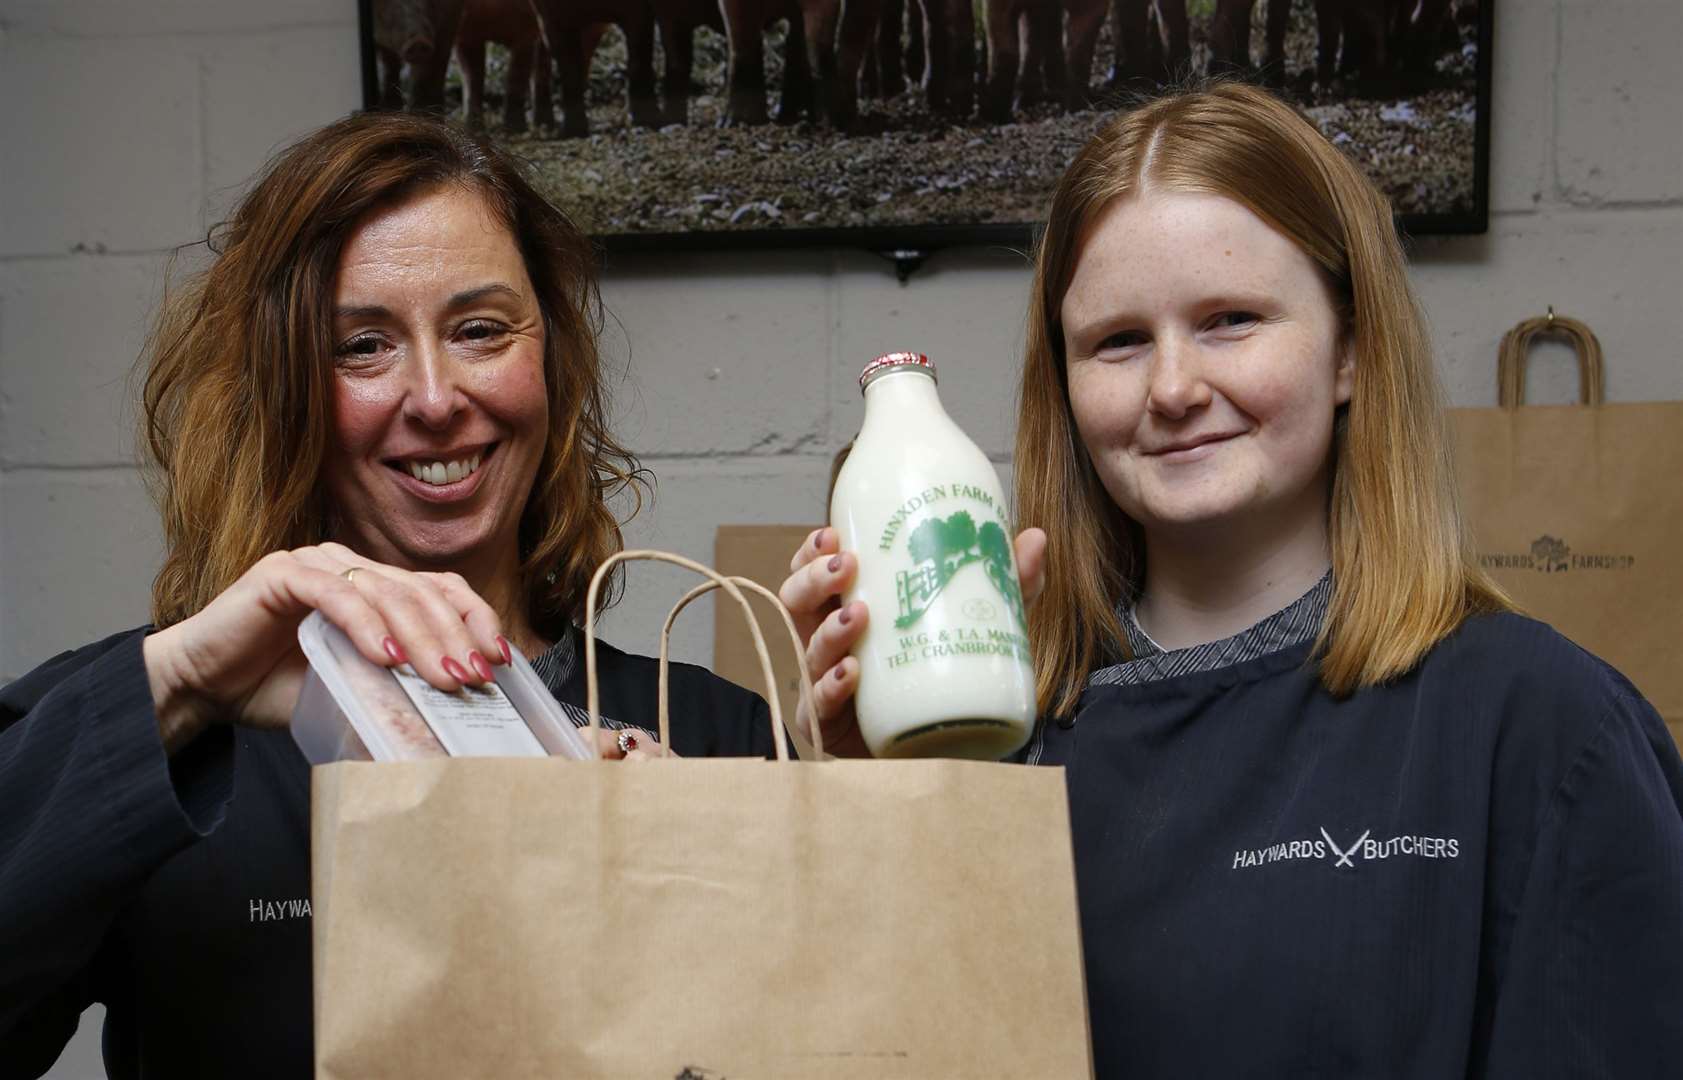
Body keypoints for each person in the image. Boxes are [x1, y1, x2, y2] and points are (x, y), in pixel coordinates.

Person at [781, 82, 1683, 1076]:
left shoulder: (1544, 724)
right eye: (1119, 341)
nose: (1172, 389)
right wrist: (864, 811)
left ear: (1349, 347)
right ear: (1065, 381)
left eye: (1230, 320)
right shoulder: (1002, 741)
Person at [0, 112, 773, 1078]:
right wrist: (182, 686)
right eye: (362, 346)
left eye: (480, 330)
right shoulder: (153, 724)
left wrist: (692, 891)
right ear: (282, 391)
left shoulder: (716, 731)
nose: (437, 396)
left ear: (553, 362)